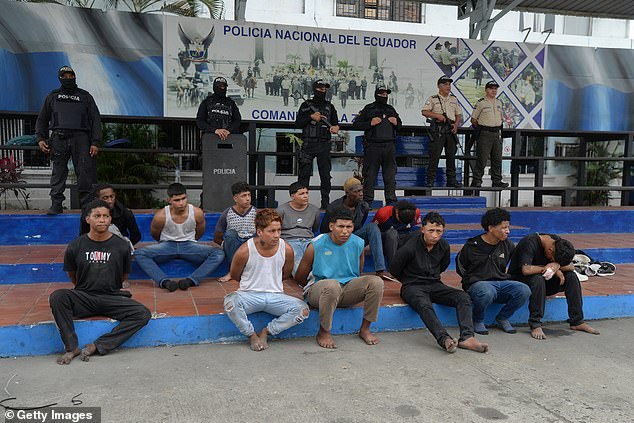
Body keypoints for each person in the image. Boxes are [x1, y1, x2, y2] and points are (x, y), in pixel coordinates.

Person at [49, 200, 151, 365]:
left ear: (111, 220)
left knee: (142, 313)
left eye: (106, 216)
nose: (102, 220)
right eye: (97, 216)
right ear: (87, 219)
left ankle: (98, 345)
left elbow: (123, 275)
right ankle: (71, 347)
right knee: (58, 297)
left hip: (112, 297)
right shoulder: (75, 246)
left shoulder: (121, 246)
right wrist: (85, 289)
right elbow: (72, 275)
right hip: (84, 296)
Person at [390, 212, 488, 353]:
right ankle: (444, 339)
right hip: (412, 286)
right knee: (424, 305)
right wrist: (409, 281)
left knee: (463, 297)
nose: (434, 235)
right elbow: (394, 269)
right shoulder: (409, 247)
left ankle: (467, 338)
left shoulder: (443, 246)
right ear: (422, 229)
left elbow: (443, 265)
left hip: (435, 284)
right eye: (431, 230)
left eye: (438, 231)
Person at [295, 208, 384, 349]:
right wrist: (316, 290)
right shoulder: (316, 244)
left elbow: (358, 272)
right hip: (319, 290)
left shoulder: (358, 243)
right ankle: (324, 332)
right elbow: (300, 276)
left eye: (349, 227)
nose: (345, 231)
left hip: (346, 290)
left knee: (376, 282)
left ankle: (365, 329)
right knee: (332, 286)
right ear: (331, 226)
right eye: (341, 226)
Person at [223, 209, 309, 351]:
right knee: (230, 303)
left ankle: (266, 332)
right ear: (259, 232)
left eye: (279, 230)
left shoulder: (286, 249)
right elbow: (235, 274)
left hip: (275, 296)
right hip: (248, 295)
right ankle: (251, 335)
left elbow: (285, 274)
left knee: (302, 310)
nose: (276, 235)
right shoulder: (245, 250)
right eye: (271, 231)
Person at [134, 183, 225, 292]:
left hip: (189, 246)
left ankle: (191, 280)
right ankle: (164, 282)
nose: (181, 203)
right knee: (139, 253)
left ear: (187, 197)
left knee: (218, 253)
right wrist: (164, 245)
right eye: (177, 200)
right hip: (167, 246)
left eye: (183, 199)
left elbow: (200, 231)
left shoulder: (196, 212)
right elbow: (155, 234)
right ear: (169, 200)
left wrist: (192, 242)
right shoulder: (161, 215)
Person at [508, 233, 600, 340]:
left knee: (571, 276)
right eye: (552, 259)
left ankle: (577, 321)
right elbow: (526, 270)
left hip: (545, 283)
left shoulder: (557, 242)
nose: (552, 261)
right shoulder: (529, 242)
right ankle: (535, 324)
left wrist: (556, 266)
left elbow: (571, 266)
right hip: (521, 281)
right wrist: (549, 269)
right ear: (550, 250)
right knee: (538, 278)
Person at [36, 65, 101, 214]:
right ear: (59, 78)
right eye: (64, 76)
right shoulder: (53, 96)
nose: (67, 78)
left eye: (70, 75)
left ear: (74, 76)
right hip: (59, 138)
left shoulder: (85, 96)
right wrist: (40, 139)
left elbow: (95, 120)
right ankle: (56, 204)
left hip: (81, 138)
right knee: (58, 172)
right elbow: (42, 119)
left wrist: (95, 142)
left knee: (85, 172)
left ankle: (87, 206)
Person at [456, 208, 530, 335]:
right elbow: (461, 267)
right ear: (491, 228)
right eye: (504, 228)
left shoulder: (507, 244)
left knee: (524, 290)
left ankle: (503, 317)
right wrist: (471, 281)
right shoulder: (472, 246)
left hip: (501, 283)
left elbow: (517, 264)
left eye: (508, 227)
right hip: (478, 285)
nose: (508, 231)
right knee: (486, 291)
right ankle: (478, 320)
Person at [321, 177, 395, 281]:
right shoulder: (333, 207)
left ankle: (380, 271)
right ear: (347, 193)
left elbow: (359, 226)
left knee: (373, 227)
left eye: (361, 190)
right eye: (356, 191)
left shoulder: (364, 206)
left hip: (354, 237)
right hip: (337, 239)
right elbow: (324, 230)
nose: (361, 194)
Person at [352, 85, 402, 206]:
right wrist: (370, 123)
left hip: (389, 146)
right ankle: (367, 203)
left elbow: (399, 126)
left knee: (390, 176)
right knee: (370, 176)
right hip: (373, 146)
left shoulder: (391, 109)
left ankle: (391, 203)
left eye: (386, 94)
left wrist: (396, 122)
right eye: (382, 94)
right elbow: (356, 124)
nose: (384, 96)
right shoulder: (369, 108)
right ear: (376, 95)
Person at [295, 79, 340, 209]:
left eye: (325, 88)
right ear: (315, 89)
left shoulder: (330, 106)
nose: (323, 90)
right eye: (320, 88)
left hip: (324, 144)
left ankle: (325, 204)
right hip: (308, 144)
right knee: (303, 177)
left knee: (325, 176)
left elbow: (336, 124)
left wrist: (335, 128)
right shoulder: (306, 105)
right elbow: (298, 124)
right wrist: (311, 117)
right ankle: (302, 205)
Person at [422, 75, 463, 188]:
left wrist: (456, 125)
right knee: (434, 156)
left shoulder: (453, 99)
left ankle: (452, 180)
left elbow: (458, 114)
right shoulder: (433, 98)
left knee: (451, 157)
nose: (448, 86)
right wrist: (437, 116)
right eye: (445, 84)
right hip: (438, 130)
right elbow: (424, 112)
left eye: (449, 84)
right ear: (439, 86)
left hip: (450, 130)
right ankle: (430, 180)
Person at [214, 182, 257, 282]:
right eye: (243, 196)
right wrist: (227, 245)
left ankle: (250, 271)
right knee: (230, 234)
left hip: (250, 244)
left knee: (259, 236)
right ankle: (233, 272)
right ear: (235, 198)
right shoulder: (227, 213)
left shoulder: (255, 212)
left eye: (249, 195)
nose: (247, 199)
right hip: (235, 245)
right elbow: (217, 236)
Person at [470, 81, 508, 188]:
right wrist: (482, 128)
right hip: (485, 133)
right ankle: (477, 180)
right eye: (491, 88)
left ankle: (496, 181)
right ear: (486, 90)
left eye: (495, 89)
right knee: (482, 158)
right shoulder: (481, 103)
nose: (494, 91)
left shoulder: (499, 102)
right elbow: (473, 119)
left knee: (497, 159)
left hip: (497, 133)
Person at [276, 182, 321, 273]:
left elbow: (315, 228)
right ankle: (305, 281)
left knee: (319, 259)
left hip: (309, 240)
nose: (305, 196)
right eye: (301, 194)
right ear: (292, 196)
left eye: (307, 193)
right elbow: (276, 228)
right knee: (297, 261)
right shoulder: (281, 210)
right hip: (289, 240)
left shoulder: (314, 210)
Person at [372, 200, 421, 268]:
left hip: (404, 236)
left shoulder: (417, 212)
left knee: (421, 233)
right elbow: (374, 231)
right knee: (392, 233)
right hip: (387, 240)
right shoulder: (383, 213)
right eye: (401, 221)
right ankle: (393, 267)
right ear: (397, 212)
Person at [196, 77, 242, 141]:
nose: (222, 88)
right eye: (219, 86)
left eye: (223, 86)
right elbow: (200, 121)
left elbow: (237, 120)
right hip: (210, 138)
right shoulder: (206, 102)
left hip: (229, 138)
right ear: (215, 87)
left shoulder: (231, 103)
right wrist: (215, 130)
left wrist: (228, 131)